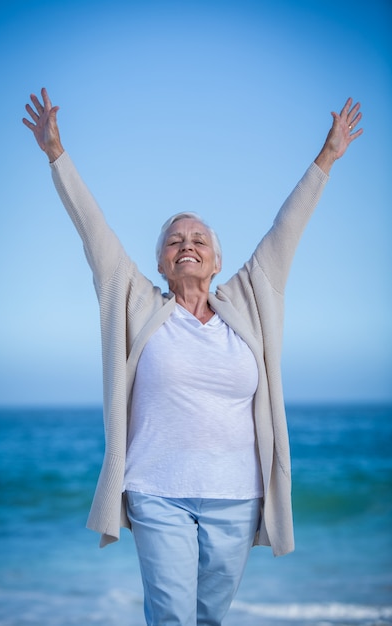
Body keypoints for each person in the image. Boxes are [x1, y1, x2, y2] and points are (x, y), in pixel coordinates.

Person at [22, 89, 363, 626]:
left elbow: (286, 230)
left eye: (200, 238)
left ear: (217, 260)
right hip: (157, 490)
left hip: (236, 495)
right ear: (159, 262)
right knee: (173, 617)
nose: (188, 243)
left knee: (208, 618)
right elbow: (94, 231)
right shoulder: (135, 300)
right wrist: (56, 155)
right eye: (175, 239)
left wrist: (326, 157)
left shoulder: (252, 297)